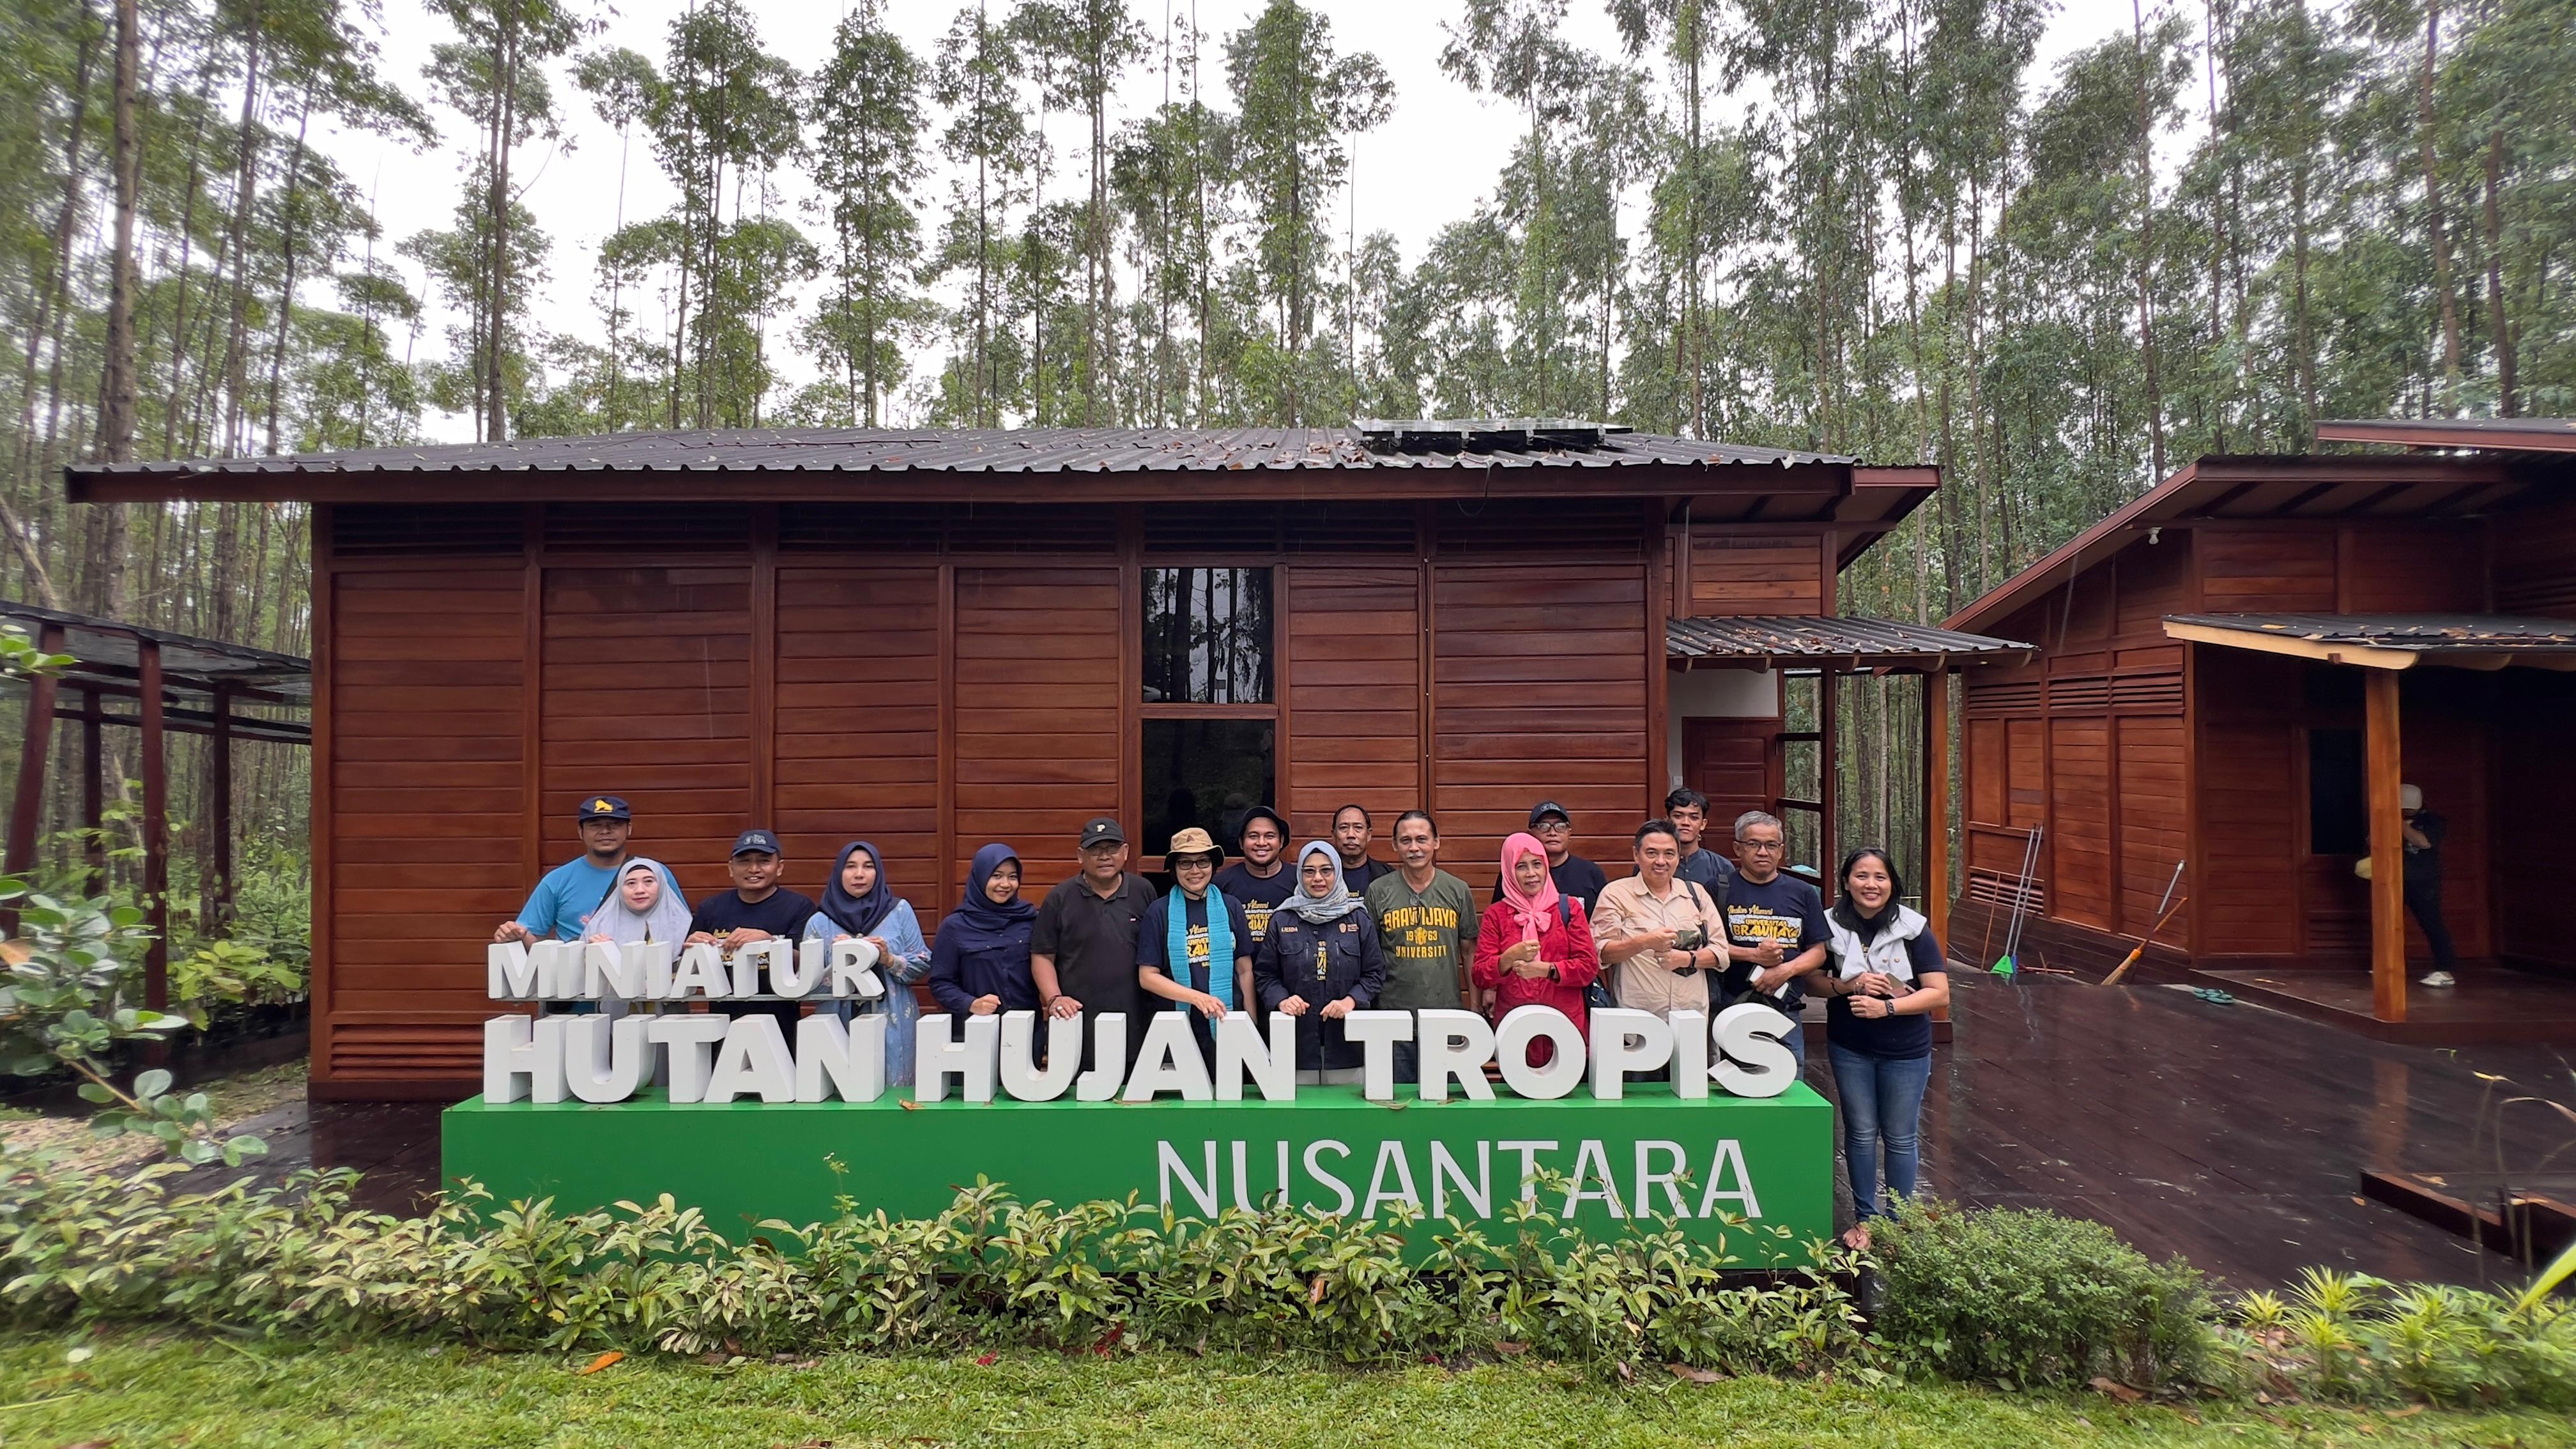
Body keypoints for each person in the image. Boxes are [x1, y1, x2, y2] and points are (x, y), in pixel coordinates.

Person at [1816, 847, 1951, 1237]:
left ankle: (1898, 1223)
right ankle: (1865, 1220)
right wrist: (1848, 985)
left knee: (1900, 1135)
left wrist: (1888, 1008)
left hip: (1905, 1049)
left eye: (1880, 877)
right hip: (1849, 1046)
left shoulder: (1913, 929)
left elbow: (1939, 994)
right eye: (1861, 876)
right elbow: (1813, 984)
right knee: (1859, 1132)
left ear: (1893, 884)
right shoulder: (1829, 926)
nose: (1871, 885)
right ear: (1846, 882)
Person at [1253, 841, 1388, 1085]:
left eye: (1326, 870)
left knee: (1344, 1114)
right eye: (1309, 871)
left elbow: (1375, 973)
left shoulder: (1357, 918)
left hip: (1348, 1049)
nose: (1318, 878)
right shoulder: (1282, 919)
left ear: (1337, 873)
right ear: (1299, 875)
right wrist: (1282, 999)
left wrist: (1351, 1001)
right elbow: (1265, 974)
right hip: (1297, 1048)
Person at [1031, 817, 1159, 1068]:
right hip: (1076, 1023)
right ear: (1081, 855)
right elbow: (1042, 956)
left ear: (1125, 852)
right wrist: (1054, 998)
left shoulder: (1144, 891)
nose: (1104, 856)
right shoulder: (1059, 898)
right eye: (1095, 850)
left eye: (1111, 848)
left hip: (1137, 1022)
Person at [1363, 810, 1478, 1084]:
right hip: (1393, 1019)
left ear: (1436, 842)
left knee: (1446, 1105)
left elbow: (1469, 951)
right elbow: (1370, 956)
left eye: (1421, 839)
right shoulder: (1378, 891)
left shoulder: (1458, 890)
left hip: (1446, 1017)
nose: (1414, 848)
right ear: (1395, 845)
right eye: (1406, 841)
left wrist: (1474, 1007)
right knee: (1396, 1106)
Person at [804, 841, 932, 1086]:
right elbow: (808, 987)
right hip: (836, 1024)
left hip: (893, 1018)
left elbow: (924, 962)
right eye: (850, 866)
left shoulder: (899, 911)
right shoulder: (820, 922)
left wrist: (888, 959)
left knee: (894, 1094)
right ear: (839, 872)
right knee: (840, 1095)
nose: (859, 874)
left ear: (879, 872)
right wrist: (841, 960)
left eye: (868, 866)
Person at [1473, 831, 1600, 1069]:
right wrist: (1508, 958)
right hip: (1515, 1027)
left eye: (1537, 864)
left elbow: (1588, 967)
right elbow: (1480, 974)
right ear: (1510, 872)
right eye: (1521, 866)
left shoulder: (1569, 908)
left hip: (1565, 1024)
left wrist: (1548, 970)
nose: (1531, 874)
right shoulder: (1496, 915)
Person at [1717, 810, 1828, 1072]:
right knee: (1732, 1084)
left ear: (1781, 850)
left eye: (1770, 845)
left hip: (1786, 1007)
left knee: (1789, 1083)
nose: (1762, 852)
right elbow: (1711, 946)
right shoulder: (1719, 889)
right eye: (1753, 844)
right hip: (1732, 1005)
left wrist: (1783, 971)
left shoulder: (1802, 892)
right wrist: (1754, 956)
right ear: (1738, 848)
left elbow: (1818, 951)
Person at [1137, 827, 1256, 1066]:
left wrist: (1251, 1023)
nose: (1195, 871)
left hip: (1229, 1020)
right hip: (1177, 1027)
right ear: (1174, 869)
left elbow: (1245, 970)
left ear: (1213, 865)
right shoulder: (1159, 911)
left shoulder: (1231, 906)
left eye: (1202, 862)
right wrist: (1196, 998)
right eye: (1185, 863)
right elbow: (1147, 977)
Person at [1591, 819, 1729, 1024]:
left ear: (1678, 857)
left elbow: (1721, 954)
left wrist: (1686, 959)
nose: (1661, 861)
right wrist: (1644, 943)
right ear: (1636, 855)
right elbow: (1600, 953)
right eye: (1652, 853)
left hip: (1690, 1016)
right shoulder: (1615, 894)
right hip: (1638, 1017)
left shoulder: (1696, 894)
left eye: (1669, 854)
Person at [687, 829, 819, 1029]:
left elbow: (809, 964)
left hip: (781, 1026)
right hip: (721, 1026)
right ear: (731, 868)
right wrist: (690, 951)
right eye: (744, 861)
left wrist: (771, 944)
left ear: (779, 867)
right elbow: (686, 971)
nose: (754, 869)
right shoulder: (710, 908)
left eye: (764, 861)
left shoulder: (800, 906)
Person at [494, 794, 634, 944]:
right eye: (595, 825)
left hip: (641, 966)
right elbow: (532, 936)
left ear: (629, 829)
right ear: (581, 832)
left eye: (614, 824)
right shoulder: (557, 881)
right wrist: (513, 934)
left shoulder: (653, 874)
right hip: (575, 967)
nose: (605, 831)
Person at [928, 843, 1040, 1020]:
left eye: (1012, 877)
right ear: (980, 877)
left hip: (1026, 1028)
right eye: (996, 876)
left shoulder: (1031, 919)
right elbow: (941, 982)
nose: (1005, 884)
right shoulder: (955, 926)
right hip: (976, 1031)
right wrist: (970, 1003)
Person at [581, 856, 693, 1017]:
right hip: (615, 1020)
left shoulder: (684, 924)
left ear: (661, 885)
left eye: (648, 882)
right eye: (631, 883)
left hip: (671, 1019)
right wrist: (590, 953)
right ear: (620, 887)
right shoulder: (600, 926)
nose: (640, 890)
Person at [1490, 801, 1609, 914]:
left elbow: (1602, 923)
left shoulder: (1591, 872)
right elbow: (1500, 914)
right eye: (1543, 826)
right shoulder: (1515, 873)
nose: (1553, 832)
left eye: (1561, 826)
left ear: (1569, 833)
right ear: (1530, 834)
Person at [2400, 784, 2458, 988]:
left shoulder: (2433, 821)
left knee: (2431, 923)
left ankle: (2445, 969)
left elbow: (2424, 843)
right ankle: (2389, 963)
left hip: (2424, 881)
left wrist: (2401, 824)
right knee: (2386, 923)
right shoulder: (2387, 819)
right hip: (2393, 878)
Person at [1214, 806, 1296, 948]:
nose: (1261, 843)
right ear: (1241, 842)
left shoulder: (1299, 881)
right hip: (1237, 969)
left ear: (1281, 841)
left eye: (1270, 836)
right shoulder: (1221, 884)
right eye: (1253, 836)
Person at [1666, 788, 1737, 893]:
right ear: (1668, 820)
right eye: (1678, 816)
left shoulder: (1722, 866)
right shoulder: (1654, 863)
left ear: (1703, 824)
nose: (1686, 822)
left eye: (1694, 818)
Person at [1330, 804, 1393, 896]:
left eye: (1358, 828)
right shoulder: (1321, 876)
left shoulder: (1388, 875)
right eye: (1344, 828)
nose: (1351, 835)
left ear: (1368, 835)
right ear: (1334, 835)